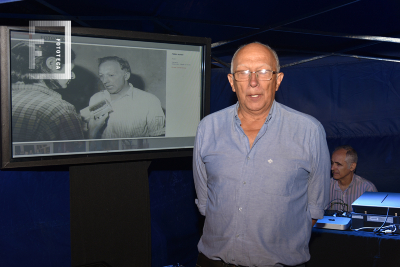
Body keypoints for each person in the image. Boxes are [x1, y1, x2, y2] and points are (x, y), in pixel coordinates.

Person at [193, 42, 330, 267]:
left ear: (278, 80)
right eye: (243, 72)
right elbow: (207, 204)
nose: (253, 81)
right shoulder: (207, 128)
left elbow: (314, 208)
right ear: (231, 82)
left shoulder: (309, 131)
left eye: (264, 72)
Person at [11, 42, 106, 142]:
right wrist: (92, 132)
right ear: (52, 63)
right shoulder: (60, 109)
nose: (72, 76)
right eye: (69, 69)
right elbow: (77, 155)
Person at [88, 56, 165, 139]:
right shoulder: (96, 99)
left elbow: (158, 138)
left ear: (126, 76)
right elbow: (91, 138)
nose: (104, 81)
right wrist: (92, 130)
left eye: (111, 75)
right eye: (101, 76)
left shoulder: (150, 101)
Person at [329, 145, 377, 212]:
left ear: (352, 166)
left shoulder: (367, 189)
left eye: (338, 164)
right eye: (332, 163)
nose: (332, 168)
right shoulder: (325, 186)